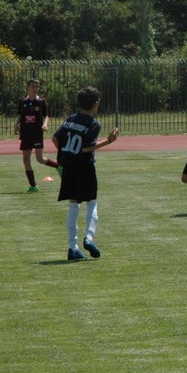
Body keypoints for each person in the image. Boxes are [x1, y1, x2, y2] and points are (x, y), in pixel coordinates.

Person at [51, 86, 118, 261]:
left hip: (69, 167)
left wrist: (66, 153)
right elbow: (86, 148)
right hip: (84, 167)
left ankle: (72, 248)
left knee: (73, 205)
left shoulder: (70, 119)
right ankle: (89, 238)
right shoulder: (93, 124)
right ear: (95, 104)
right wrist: (108, 141)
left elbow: (55, 138)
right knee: (92, 202)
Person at [14, 78, 59, 192]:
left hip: (37, 133)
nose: (35, 89)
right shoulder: (23, 101)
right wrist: (16, 124)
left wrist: (45, 124)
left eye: (37, 87)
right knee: (26, 159)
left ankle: (58, 166)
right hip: (25, 133)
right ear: (28, 87)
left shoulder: (41, 101)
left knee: (39, 159)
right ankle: (33, 186)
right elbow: (21, 115)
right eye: (33, 86)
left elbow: (46, 115)